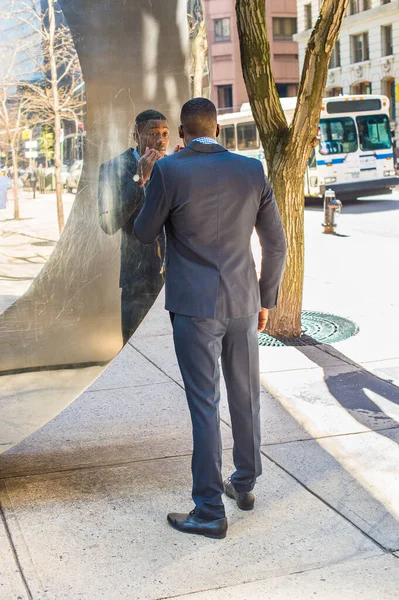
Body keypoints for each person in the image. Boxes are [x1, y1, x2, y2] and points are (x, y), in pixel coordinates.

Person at [134, 98, 287, 539]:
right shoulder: (251, 170)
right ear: (217, 130)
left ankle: (208, 510)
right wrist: (265, 298)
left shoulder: (170, 171)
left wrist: (147, 183)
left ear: (182, 132)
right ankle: (244, 482)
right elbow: (275, 245)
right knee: (245, 395)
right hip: (243, 303)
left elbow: (144, 233)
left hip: (194, 308)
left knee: (205, 404)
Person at [98, 110, 170, 344]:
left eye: (165, 133)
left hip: (177, 276)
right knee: (133, 342)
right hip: (138, 280)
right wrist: (139, 179)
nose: (161, 140)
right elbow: (108, 223)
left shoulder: (172, 166)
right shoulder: (113, 168)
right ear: (137, 136)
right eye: (153, 133)